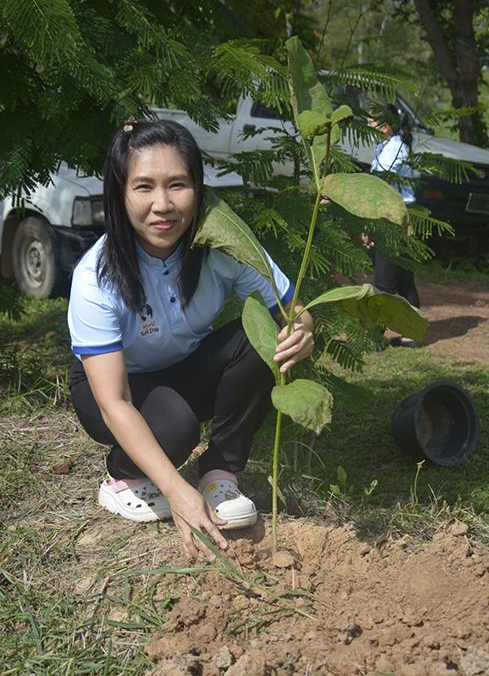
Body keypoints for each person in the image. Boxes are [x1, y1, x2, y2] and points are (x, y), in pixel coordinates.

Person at [67, 119, 314, 561]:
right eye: (144, 187)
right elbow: (115, 402)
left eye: (177, 184)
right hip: (113, 386)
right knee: (175, 428)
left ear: (198, 188)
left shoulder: (224, 247)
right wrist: (174, 489)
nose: (162, 205)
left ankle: (219, 472)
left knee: (261, 339)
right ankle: (121, 476)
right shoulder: (95, 277)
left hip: (182, 364)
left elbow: (290, 309)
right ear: (120, 193)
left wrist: (302, 329)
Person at [367, 103, 421, 348]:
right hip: (396, 218)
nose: (367, 125)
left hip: (392, 220)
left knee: (383, 284)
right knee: (403, 281)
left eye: (371, 121)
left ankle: (375, 338)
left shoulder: (393, 149)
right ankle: (413, 333)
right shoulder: (386, 146)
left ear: (385, 126)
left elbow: (379, 187)